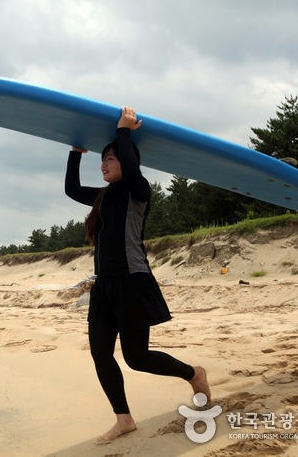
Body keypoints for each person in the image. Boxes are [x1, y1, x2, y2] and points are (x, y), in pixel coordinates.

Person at [65, 106, 211, 445]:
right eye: (102, 160)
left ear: (128, 162)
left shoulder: (138, 191)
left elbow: (131, 168)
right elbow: (72, 189)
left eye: (111, 159)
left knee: (137, 358)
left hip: (132, 282)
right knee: (101, 354)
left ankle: (194, 373)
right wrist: (75, 152)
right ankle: (124, 419)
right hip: (103, 287)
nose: (104, 164)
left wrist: (124, 133)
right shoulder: (102, 196)